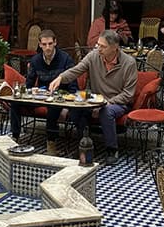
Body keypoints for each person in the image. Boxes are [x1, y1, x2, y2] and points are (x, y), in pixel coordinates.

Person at [49, 29, 137, 165]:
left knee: (106, 111)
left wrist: (108, 102)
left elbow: (128, 94)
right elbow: (77, 70)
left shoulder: (129, 63)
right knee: (76, 109)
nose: (98, 49)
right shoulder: (93, 56)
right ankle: (84, 144)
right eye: (98, 45)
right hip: (96, 100)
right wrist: (61, 78)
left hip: (119, 102)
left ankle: (111, 150)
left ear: (115, 48)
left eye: (103, 46)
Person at [10, 30, 77, 156]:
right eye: (44, 44)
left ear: (55, 43)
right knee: (15, 103)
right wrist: (30, 90)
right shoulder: (36, 60)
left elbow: (73, 86)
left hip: (59, 96)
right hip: (41, 95)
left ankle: (51, 143)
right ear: (40, 45)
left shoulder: (65, 59)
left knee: (53, 107)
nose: (48, 47)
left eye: (50, 44)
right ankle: (15, 137)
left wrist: (67, 106)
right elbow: (29, 84)